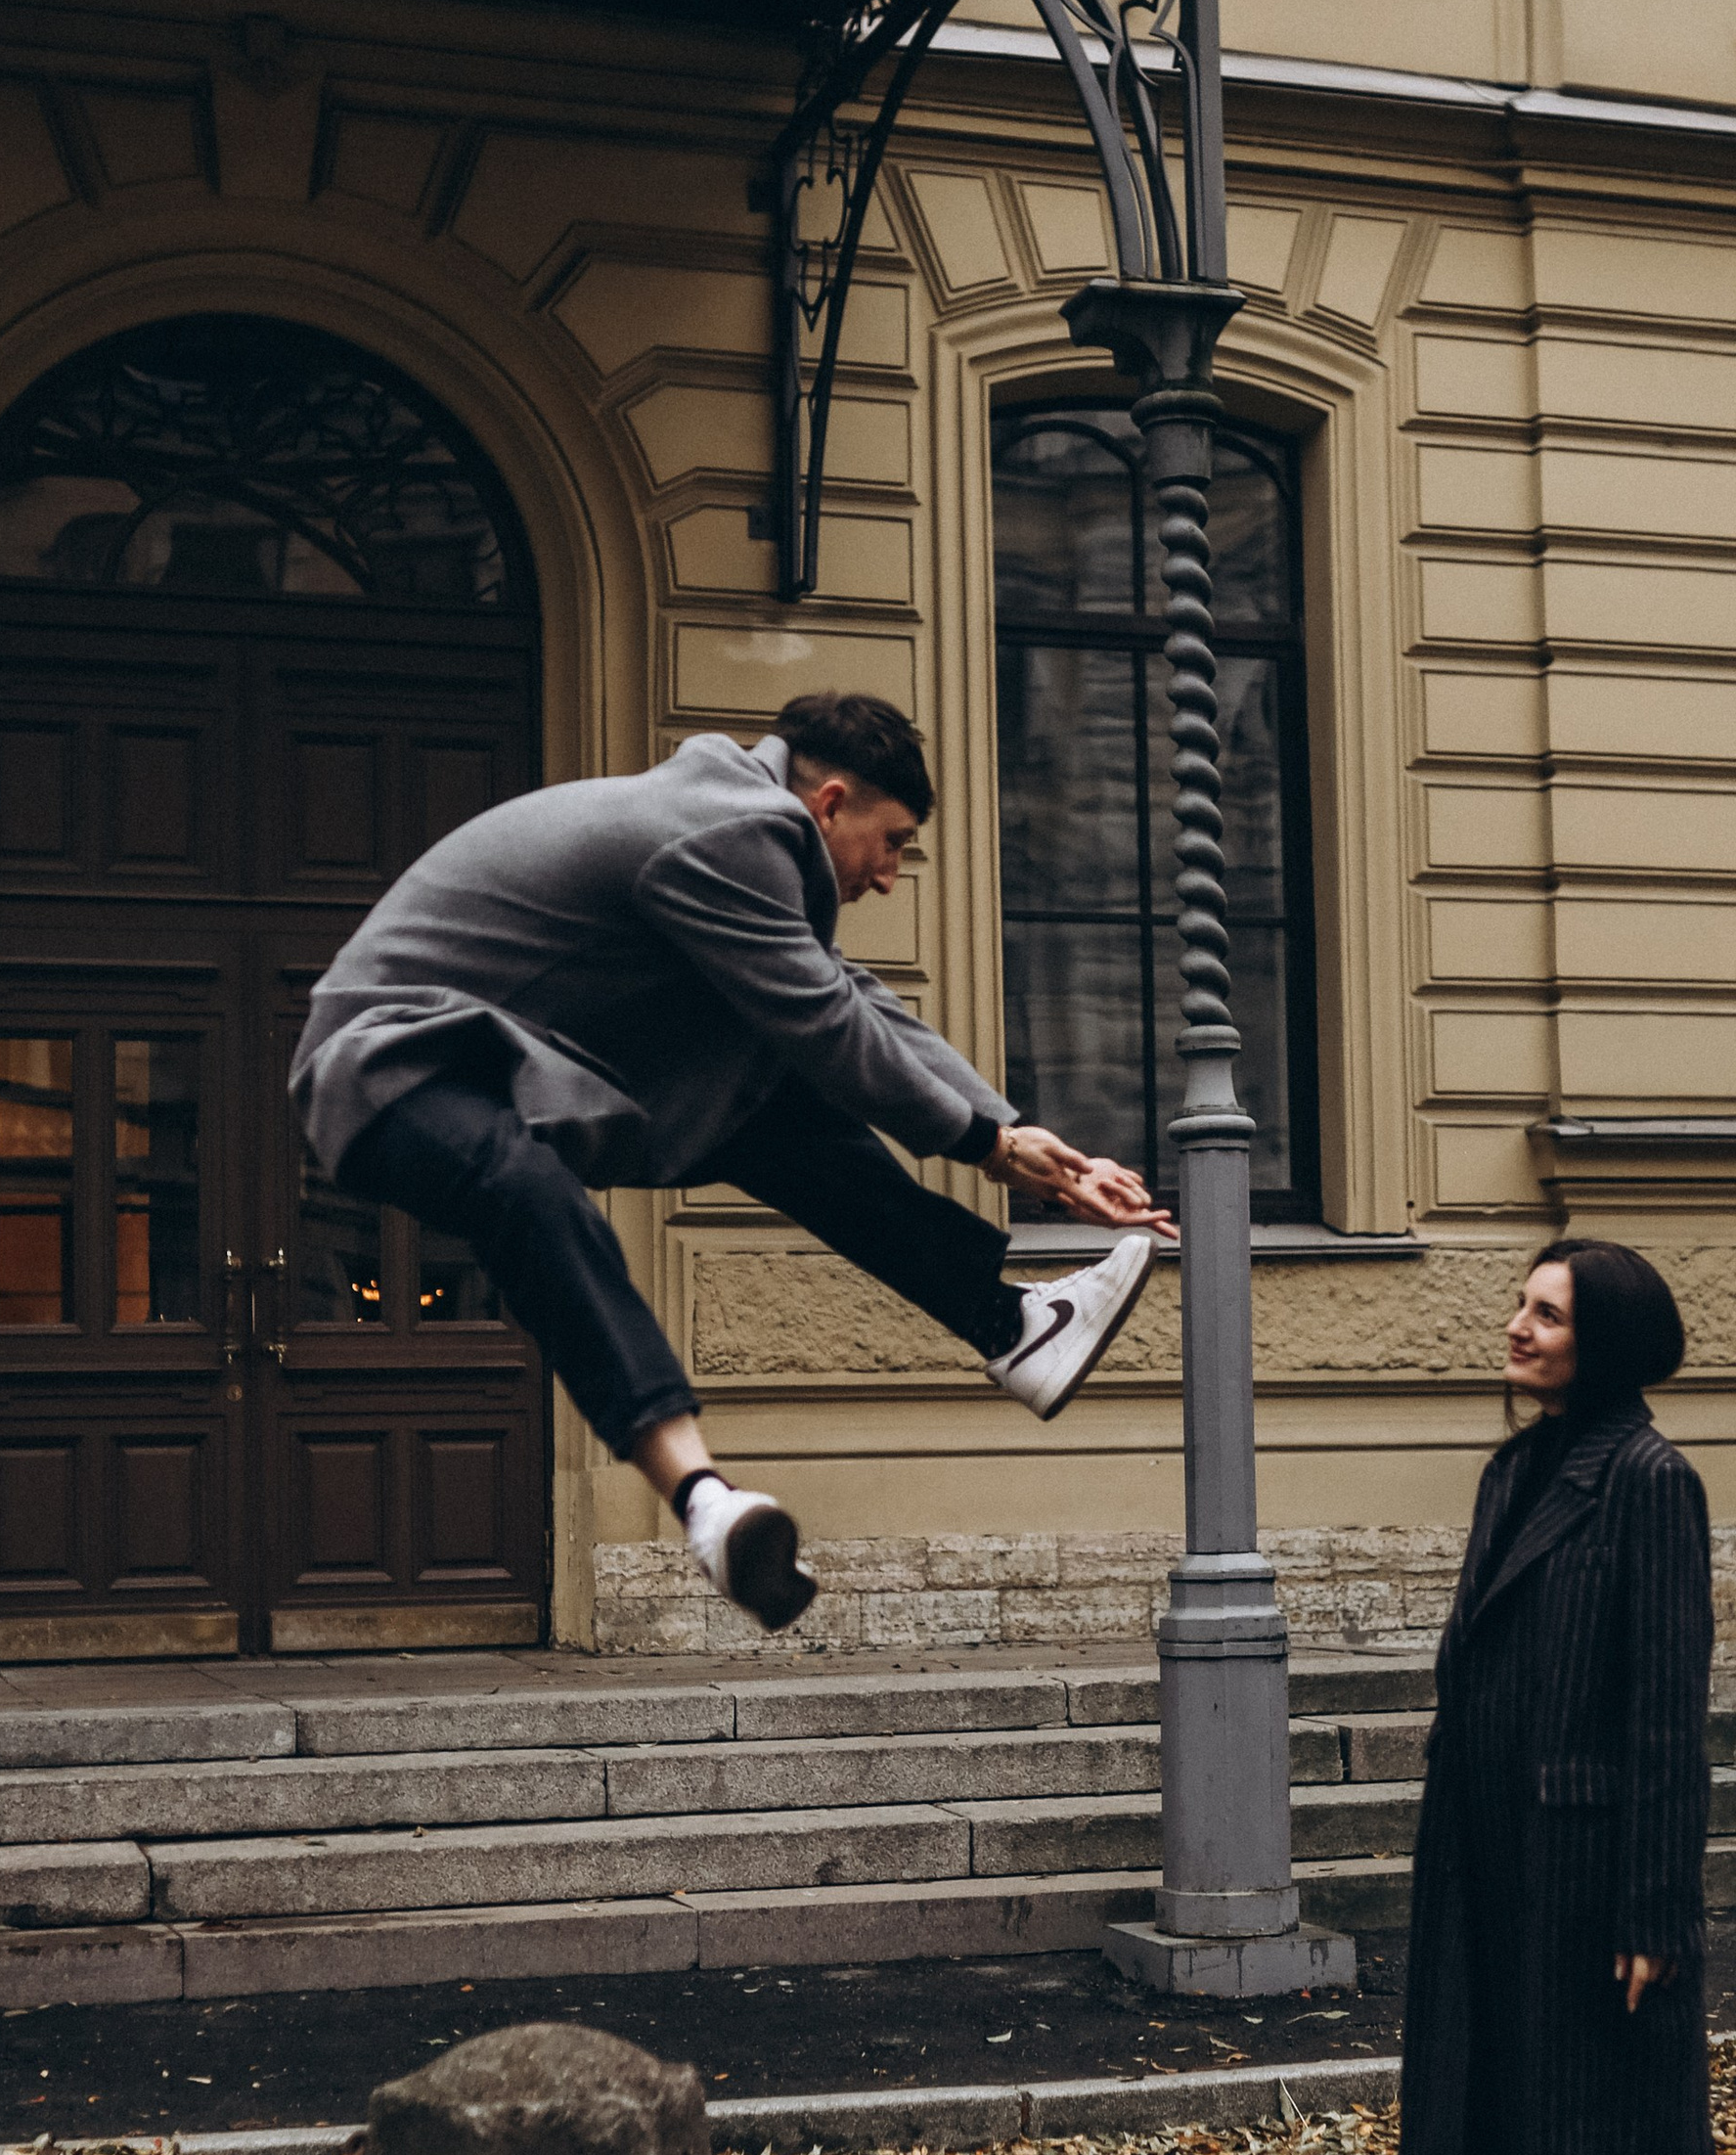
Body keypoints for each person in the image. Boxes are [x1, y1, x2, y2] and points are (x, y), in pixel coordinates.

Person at [289, 693, 1167, 1633]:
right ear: (828, 802)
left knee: (772, 1106)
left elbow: (850, 997)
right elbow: (828, 1026)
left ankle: (1009, 1323)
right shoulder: (727, 833)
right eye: (893, 841)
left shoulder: (731, 822)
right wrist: (984, 1145)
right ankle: (703, 1497)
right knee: (530, 1187)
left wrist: (1008, 1131)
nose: (888, 877)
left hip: (496, 1053)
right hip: (385, 1062)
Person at [1393, 1236, 1722, 2155]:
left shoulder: (1649, 1480)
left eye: (1547, 1313)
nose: (1517, 1327)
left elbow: (1662, 1708)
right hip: (1498, 1877)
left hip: (1594, 1890)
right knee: (1509, 2138)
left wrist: (1653, 1906)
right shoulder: (1519, 1469)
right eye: (1521, 1304)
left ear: (1611, 1342)